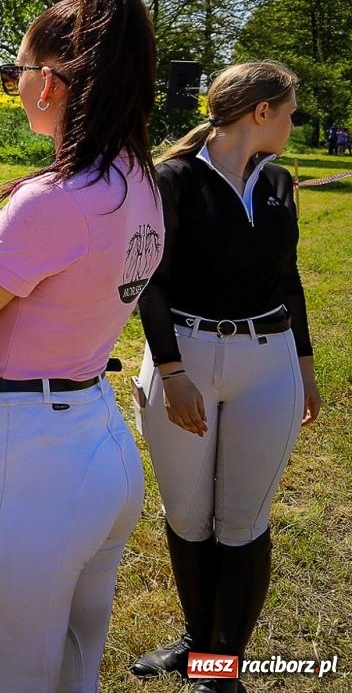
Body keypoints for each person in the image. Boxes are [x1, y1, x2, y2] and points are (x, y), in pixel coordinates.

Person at [0, 0, 163, 691]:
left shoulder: (53, 200)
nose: (14, 86)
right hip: (99, 439)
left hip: (32, 465)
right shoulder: (141, 183)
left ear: (48, 83)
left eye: (14, 72)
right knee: (77, 671)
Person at [129, 61, 320, 693]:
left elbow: (288, 278)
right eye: (288, 111)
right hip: (184, 359)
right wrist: (172, 372)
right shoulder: (173, 179)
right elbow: (150, 282)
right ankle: (196, 640)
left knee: (243, 520)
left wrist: (304, 367)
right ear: (261, 112)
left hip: (267, 363)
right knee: (188, 516)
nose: (293, 121)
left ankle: (220, 669)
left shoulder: (279, 181)